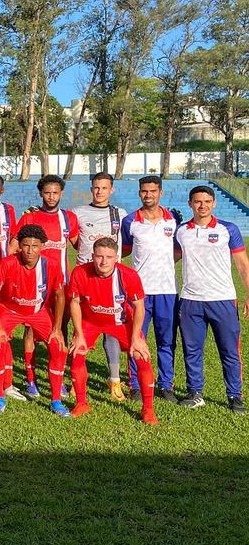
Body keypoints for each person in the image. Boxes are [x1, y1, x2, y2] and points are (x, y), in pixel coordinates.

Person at [175, 185, 249, 414]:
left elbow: (243, 265)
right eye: (198, 201)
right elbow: (168, 260)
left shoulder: (229, 229)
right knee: (192, 350)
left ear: (214, 203)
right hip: (190, 301)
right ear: (190, 204)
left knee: (229, 351)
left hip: (223, 300)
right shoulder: (182, 231)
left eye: (207, 201)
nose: (202, 205)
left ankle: (235, 396)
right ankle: (195, 393)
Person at [67, 237, 156, 424]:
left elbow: (139, 306)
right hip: (90, 321)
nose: (103, 261)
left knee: (142, 356)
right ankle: (81, 403)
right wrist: (78, 333)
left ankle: (148, 410)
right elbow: (74, 302)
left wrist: (136, 337)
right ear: (92, 256)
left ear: (117, 257)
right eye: (99, 256)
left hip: (121, 322)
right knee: (77, 353)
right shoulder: (80, 272)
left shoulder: (128, 275)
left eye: (109, 257)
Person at [11, 174, 79, 399]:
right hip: (33, 285)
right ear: (41, 193)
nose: (51, 196)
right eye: (47, 192)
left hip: (62, 285)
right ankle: (31, 378)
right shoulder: (30, 218)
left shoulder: (69, 218)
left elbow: (80, 246)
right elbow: (13, 248)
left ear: (61, 194)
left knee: (60, 329)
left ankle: (58, 379)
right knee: (31, 328)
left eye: (55, 192)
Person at [0, 225, 68, 416]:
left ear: (42, 246)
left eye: (34, 246)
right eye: (25, 245)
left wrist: (57, 328)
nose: (30, 250)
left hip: (38, 311)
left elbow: (59, 295)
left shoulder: (51, 265)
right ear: (19, 246)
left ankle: (56, 400)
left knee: (58, 347)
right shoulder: (7, 263)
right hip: (9, 310)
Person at [120, 176, 180, 402]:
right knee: (136, 338)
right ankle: (136, 384)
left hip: (167, 290)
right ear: (139, 193)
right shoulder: (130, 222)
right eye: (144, 191)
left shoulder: (174, 220)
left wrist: (163, 264)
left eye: (153, 191)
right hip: (138, 293)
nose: (148, 195)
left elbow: (180, 250)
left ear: (160, 193)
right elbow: (123, 251)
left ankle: (166, 385)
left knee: (167, 340)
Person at [73, 173, 128, 400]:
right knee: (80, 327)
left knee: (111, 328)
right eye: (96, 187)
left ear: (111, 190)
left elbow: (128, 244)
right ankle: (75, 377)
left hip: (111, 280)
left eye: (104, 188)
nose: (100, 191)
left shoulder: (120, 215)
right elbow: (75, 240)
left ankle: (114, 380)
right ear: (91, 189)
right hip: (85, 278)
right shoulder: (78, 213)